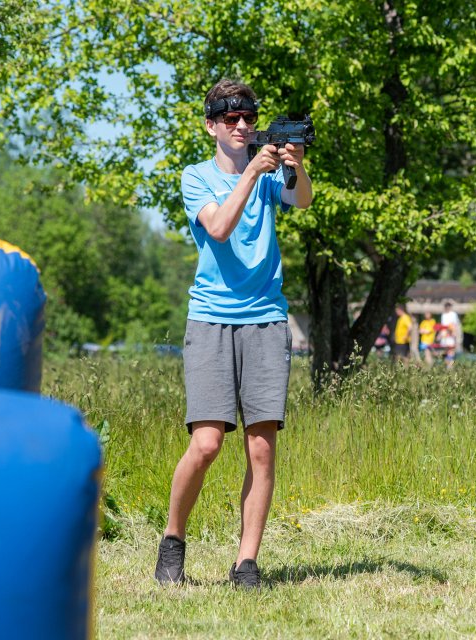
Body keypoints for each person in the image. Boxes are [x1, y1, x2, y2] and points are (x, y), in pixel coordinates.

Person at [154, 79, 313, 590]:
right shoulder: (194, 178)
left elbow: (303, 202)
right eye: (230, 120)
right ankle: (173, 539)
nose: (241, 126)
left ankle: (246, 564)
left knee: (261, 448)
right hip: (211, 318)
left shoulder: (269, 173)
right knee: (205, 445)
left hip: (266, 318)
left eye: (248, 117)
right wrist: (252, 173)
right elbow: (219, 228)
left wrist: (295, 165)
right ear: (211, 126)